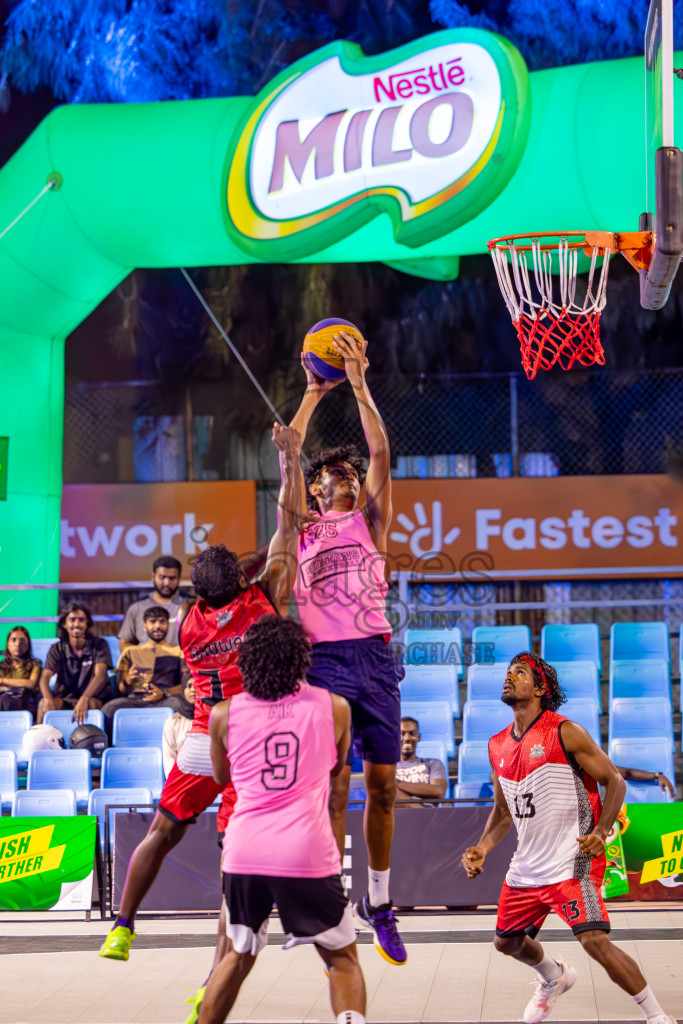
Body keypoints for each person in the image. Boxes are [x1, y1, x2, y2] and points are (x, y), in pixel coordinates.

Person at [99, 423, 302, 963]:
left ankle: (122, 926)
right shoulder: (261, 603)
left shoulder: (189, 621)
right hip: (249, 740)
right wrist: (288, 461)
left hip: (201, 734)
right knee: (232, 860)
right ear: (239, 580)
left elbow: (236, 571)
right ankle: (215, 978)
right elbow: (287, 530)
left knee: (162, 830)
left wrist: (238, 568)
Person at [461, 652, 675, 1024]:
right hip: (526, 869)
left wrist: (600, 830)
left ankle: (657, 1017)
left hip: (571, 862)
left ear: (540, 687)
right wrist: (482, 847)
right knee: (506, 942)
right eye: (508, 673)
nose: (509, 677)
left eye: (521, 673)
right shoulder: (496, 746)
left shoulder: (564, 731)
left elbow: (615, 781)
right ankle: (553, 977)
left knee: (594, 940)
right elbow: (502, 812)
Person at [290, 330, 406, 965]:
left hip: (375, 658)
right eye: (335, 473)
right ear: (315, 491)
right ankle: (333, 897)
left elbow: (381, 449)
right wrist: (311, 396)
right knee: (334, 785)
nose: (348, 477)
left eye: (351, 473)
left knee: (383, 787)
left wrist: (358, 385)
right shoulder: (300, 530)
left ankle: (379, 901)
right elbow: (290, 453)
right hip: (325, 663)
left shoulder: (370, 520)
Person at [195, 614, 366, 1024]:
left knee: (236, 957)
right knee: (342, 960)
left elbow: (223, 777)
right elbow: (334, 768)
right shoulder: (335, 707)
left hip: (245, 851)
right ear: (301, 660)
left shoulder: (224, 713)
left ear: (246, 661)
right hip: (305, 851)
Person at [102, 606, 185, 728]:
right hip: (136, 699)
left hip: (166, 699)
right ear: (144, 626)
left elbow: (186, 683)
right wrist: (129, 681)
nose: (157, 626)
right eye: (152, 621)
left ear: (168, 624)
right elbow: (121, 689)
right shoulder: (130, 651)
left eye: (162, 621)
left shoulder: (179, 650)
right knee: (109, 709)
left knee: (181, 706)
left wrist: (164, 692)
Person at [37, 603, 111, 724]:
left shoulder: (100, 644)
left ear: (87, 623)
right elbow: (45, 677)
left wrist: (85, 698)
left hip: (92, 697)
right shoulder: (57, 648)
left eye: (81, 620)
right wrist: (47, 699)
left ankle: (93, 740)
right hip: (65, 699)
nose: (76, 624)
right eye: (72, 620)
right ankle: (38, 737)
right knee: (43, 704)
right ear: (64, 624)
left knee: (91, 703)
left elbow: (101, 675)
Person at [118, 556, 185, 649]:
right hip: (144, 663)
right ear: (153, 577)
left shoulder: (188, 607)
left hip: (179, 661)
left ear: (179, 579)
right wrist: (139, 660)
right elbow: (125, 643)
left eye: (172, 578)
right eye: (162, 577)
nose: (166, 583)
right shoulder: (137, 607)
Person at [395, 717, 448, 805]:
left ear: (418, 737)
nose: (407, 738)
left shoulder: (433, 764)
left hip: (427, 815)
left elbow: (438, 792)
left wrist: (396, 783)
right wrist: (425, 791)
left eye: (412, 734)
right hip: (398, 815)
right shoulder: (388, 767)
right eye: (402, 734)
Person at [0, 626, 42, 713]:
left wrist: (3, 681)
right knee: (5, 698)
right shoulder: (1, 666)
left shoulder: (35, 663)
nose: (18, 644)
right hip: (3, 701)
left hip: (26, 702)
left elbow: (31, 683)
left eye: (22, 640)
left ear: (28, 644)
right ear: (8, 644)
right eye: (14, 640)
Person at [162, 676, 196, 777]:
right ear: (183, 691)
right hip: (180, 779)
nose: (193, 690)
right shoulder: (173, 722)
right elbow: (169, 758)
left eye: (197, 685)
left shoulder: (214, 719)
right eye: (189, 686)